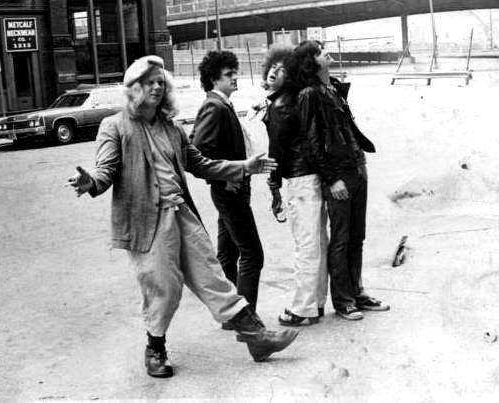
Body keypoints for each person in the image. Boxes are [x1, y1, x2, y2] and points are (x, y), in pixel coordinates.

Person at [67, 55, 298, 378]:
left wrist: (243, 167)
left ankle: (257, 338)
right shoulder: (115, 126)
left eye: (161, 82)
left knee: (213, 277)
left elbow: (201, 164)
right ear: (134, 88)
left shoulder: (172, 127)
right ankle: (155, 349)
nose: (157, 88)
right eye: (149, 82)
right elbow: (105, 171)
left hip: (181, 214)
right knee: (164, 287)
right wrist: (90, 182)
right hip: (148, 222)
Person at [286, 41, 390, 321]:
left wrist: (360, 163)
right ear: (311, 62)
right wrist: (332, 180)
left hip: (356, 168)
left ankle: (357, 292)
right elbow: (311, 143)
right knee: (342, 238)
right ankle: (343, 300)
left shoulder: (332, 88)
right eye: (319, 51)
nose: (326, 52)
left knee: (357, 236)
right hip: (339, 175)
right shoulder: (309, 94)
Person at [191, 50, 265, 328]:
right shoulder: (215, 107)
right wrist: (226, 176)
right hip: (230, 191)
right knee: (252, 254)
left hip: (232, 189)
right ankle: (246, 320)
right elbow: (198, 154)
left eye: (235, 72)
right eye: (228, 74)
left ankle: (231, 315)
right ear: (214, 79)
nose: (235, 78)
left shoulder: (221, 105)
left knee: (228, 253)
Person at [260, 44, 329, 327]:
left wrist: (274, 186)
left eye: (281, 69)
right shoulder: (294, 98)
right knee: (318, 242)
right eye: (272, 67)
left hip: (300, 180)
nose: (274, 72)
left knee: (306, 245)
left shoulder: (280, 105)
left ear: (290, 74)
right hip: (312, 177)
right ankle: (317, 302)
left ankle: (302, 308)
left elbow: (276, 152)